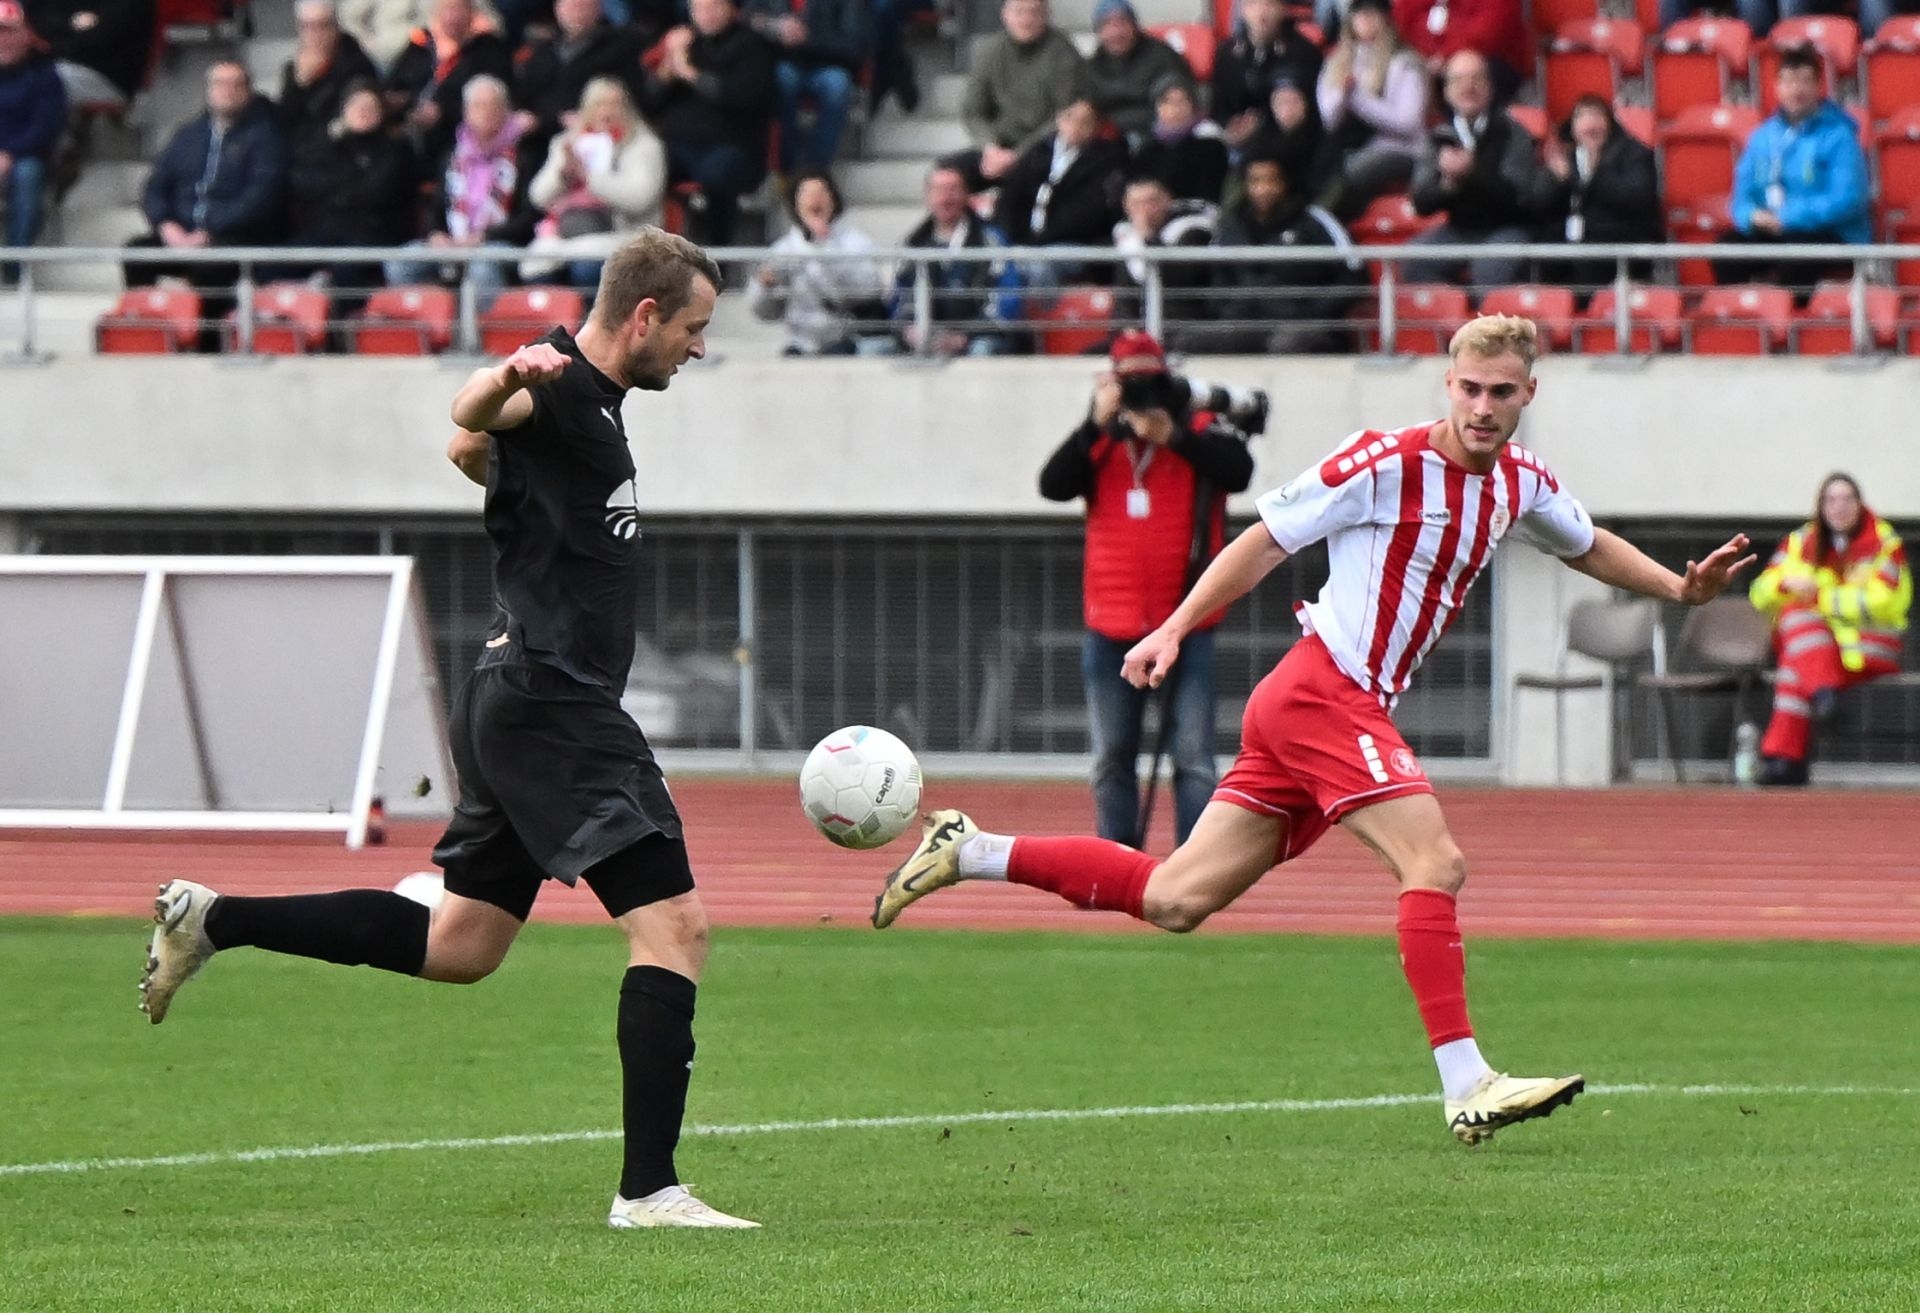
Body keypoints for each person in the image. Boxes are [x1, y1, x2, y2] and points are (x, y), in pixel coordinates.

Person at [873, 314, 1758, 1146]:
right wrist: (1174, 627)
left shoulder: (1522, 482)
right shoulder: (1384, 460)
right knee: (1435, 861)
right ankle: (1467, 1081)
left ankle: (973, 849)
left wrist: (1679, 589)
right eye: (1470, 389)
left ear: (1530, 393)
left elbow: (1586, 541)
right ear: (1447, 384)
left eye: (1501, 392)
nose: (1484, 407)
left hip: (1324, 707)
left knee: (1177, 898)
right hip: (1322, 692)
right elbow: (1265, 540)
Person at [141, 227, 758, 1232]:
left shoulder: (590, 404)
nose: (699, 346)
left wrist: (484, 446)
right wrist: (503, 379)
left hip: (512, 697)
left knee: (461, 942)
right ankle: (649, 1190)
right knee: (674, 926)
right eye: (693, 327)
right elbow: (474, 408)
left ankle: (214, 918)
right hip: (555, 701)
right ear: (645, 315)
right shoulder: (555, 383)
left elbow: (471, 448)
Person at [1039, 330, 1254, 847]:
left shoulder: (1198, 430)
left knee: (1194, 757)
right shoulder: (1100, 441)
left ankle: (1194, 866)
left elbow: (1239, 471)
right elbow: (1053, 484)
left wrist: (1173, 436)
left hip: (1186, 626)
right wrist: (1094, 422)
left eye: (1148, 381)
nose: (1139, 393)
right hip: (1110, 627)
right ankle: (1116, 862)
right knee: (1111, 756)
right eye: (1129, 382)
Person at [1749, 474, 1911, 787]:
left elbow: (1885, 601)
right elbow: (1759, 593)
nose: (1839, 507)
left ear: (1860, 504)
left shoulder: (1883, 543)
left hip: (1868, 648)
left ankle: (1785, 759)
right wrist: (1785, 584)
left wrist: (1821, 598)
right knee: (1793, 664)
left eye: (1848, 499)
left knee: (1795, 632)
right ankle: (1807, 724)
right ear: (1820, 506)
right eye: (1831, 500)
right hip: (1820, 654)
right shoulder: (1799, 542)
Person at [123, 62, 287, 334]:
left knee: (212, 267)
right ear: (209, 90)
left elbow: (260, 198)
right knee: (137, 252)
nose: (227, 91)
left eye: (235, 85)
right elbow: (155, 187)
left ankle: (206, 341)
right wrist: (166, 225)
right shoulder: (188, 135)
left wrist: (210, 231)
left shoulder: (265, 138)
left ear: (248, 91)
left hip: (233, 236)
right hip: (182, 232)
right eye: (220, 84)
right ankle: (145, 332)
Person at [1722, 46, 1870, 291]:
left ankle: (1794, 316)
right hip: (1775, 227)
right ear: (1776, 87)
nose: (1796, 90)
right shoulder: (1762, 137)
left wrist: (1790, 217)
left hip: (1831, 232)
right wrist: (1751, 216)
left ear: (1818, 87)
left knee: (1797, 261)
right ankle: (1740, 312)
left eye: (1804, 81)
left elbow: (1848, 198)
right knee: (1727, 251)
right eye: (1789, 82)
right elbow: (1741, 195)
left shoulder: (1839, 136)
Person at [384, 74, 537, 309]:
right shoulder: (452, 156)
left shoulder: (524, 156)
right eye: (478, 106)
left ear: (506, 111)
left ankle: (481, 331)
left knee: (482, 267)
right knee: (400, 263)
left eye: (493, 106)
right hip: (453, 241)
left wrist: (483, 237)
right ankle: (427, 324)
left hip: (498, 243)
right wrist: (436, 234)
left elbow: (528, 217)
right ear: (466, 112)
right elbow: (437, 205)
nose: (486, 113)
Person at [1405, 50, 1548, 290]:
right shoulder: (1439, 137)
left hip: (1507, 228)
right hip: (1460, 229)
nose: (1467, 87)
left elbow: (1520, 196)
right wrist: (1447, 186)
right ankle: (1452, 312)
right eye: (1458, 80)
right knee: (1414, 259)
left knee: (1490, 266)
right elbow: (1420, 201)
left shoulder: (1512, 132)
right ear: (1447, 91)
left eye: (1476, 79)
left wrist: (1472, 173)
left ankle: (1485, 315)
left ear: (1489, 88)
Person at [638, 0, 775, 245]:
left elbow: (742, 97)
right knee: (643, 160)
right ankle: (649, 247)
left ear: (731, 9)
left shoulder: (752, 46)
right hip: (678, 143)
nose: (706, 15)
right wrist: (668, 66)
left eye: (714, 7)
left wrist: (689, 73)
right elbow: (648, 103)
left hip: (732, 144)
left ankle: (718, 253)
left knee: (719, 172)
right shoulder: (685, 43)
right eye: (699, 8)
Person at [1203, 147, 1361, 354]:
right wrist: (1229, 311)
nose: (1263, 189)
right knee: (1190, 342)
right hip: (1243, 324)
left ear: (1285, 182)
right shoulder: (1231, 227)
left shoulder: (1315, 221)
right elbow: (1216, 279)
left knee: (1286, 344)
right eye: (1255, 181)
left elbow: (1353, 272)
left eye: (1271, 180)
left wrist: (1312, 314)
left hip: (1302, 327)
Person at [284, 80, 418, 310]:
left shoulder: (395, 150)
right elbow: (301, 180)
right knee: (274, 264)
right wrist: (343, 183)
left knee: (346, 269)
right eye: (356, 105)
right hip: (327, 231)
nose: (362, 112)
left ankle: (345, 328)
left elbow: (375, 192)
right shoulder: (329, 143)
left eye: (370, 107)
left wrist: (334, 189)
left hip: (374, 233)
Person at [521, 75, 666, 287]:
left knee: (586, 268)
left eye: (614, 105)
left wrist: (588, 177)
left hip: (623, 235)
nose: (606, 112)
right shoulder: (568, 142)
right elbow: (538, 197)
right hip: (563, 235)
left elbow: (639, 199)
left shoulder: (644, 145)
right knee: (536, 269)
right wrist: (563, 176)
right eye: (599, 105)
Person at [747, 168, 889, 354]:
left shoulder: (856, 242)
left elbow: (870, 289)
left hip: (846, 338)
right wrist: (766, 287)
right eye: (806, 193)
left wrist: (824, 250)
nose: (814, 198)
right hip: (801, 342)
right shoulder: (784, 249)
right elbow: (764, 312)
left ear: (833, 200)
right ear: (796, 204)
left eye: (821, 192)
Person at [890, 161, 1024, 356]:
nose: (946, 198)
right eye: (938, 191)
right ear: (927, 197)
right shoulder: (912, 244)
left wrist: (965, 336)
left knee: (982, 350)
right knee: (875, 349)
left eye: (953, 190)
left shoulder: (991, 240)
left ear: (966, 195)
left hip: (979, 338)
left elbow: (1008, 299)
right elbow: (898, 299)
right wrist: (909, 331)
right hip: (926, 339)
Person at [958, 0, 1086, 193]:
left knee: (1023, 178)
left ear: (1046, 15)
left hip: (1046, 147)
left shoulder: (1063, 53)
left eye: (1034, 13)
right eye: (1019, 12)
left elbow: (1066, 116)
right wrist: (990, 147)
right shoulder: (990, 51)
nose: (1026, 20)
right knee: (949, 174)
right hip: (998, 147)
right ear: (1005, 15)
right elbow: (973, 111)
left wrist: (1018, 156)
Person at [1314, 0, 1426, 220]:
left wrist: (1358, 99)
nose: (1364, 18)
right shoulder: (1336, 62)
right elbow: (1328, 120)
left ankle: (1321, 224)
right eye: (1358, 13)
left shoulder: (1404, 61)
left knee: (1354, 172)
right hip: (1348, 145)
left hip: (1400, 149)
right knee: (1316, 165)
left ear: (1385, 18)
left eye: (1371, 13)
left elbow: (1408, 123)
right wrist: (1342, 96)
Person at [1539, 94, 1662, 292]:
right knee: (1545, 246)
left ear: (1609, 123)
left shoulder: (1634, 153)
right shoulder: (1567, 158)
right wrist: (1559, 182)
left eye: (1596, 115)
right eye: (1581, 116)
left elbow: (1637, 198)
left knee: (1590, 254)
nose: (1590, 124)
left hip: (1622, 236)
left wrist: (1597, 175)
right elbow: (1545, 206)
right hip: (1575, 237)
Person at [992, 95, 1125, 256]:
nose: (1076, 126)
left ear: (1096, 126)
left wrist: (1038, 243)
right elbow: (1011, 197)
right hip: (1025, 238)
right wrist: (1016, 236)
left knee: (1041, 264)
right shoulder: (1039, 152)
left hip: (1074, 243)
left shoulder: (1107, 159)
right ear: (1059, 118)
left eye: (1085, 121)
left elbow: (1084, 214)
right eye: (1070, 117)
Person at [745, 0, 869, 172]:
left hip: (827, 64)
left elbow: (854, 43)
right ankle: (786, 163)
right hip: (781, 60)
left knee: (838, 85)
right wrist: (775, 29)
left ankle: (815, 167)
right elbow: (748, 22)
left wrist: (807, 38)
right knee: (782, 78)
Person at [384, 0, 514, 158]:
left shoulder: (488, 49)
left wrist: (442, 112)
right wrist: (400, 100)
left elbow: (498, 98)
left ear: (471, 12)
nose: (453, 16)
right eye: (447, 9)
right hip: (409, 126)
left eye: (459, 9)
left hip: (455, 136)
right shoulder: (421, 43)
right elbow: (396, 83)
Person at [515, 0, 648, 144]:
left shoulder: (621, 48)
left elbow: (630, 96)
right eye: (571, 5)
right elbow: (525, 99)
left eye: (583, 6)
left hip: (598, 137)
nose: (577, 12)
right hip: (540, 136)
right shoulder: (542, 52)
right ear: (557, 9)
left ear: (598, 9)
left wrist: (588, 117)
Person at [0, 1, 65, 280]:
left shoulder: (45, 76)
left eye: (9, 32)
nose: (3, 40)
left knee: (28, 174)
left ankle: (15, 270)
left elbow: (45, 128)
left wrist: (9, 154)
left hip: (27, 157)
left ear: (26, 34)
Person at [1210, 0, 1321, 156]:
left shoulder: (1303, 52)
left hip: (1284, 142)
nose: (1261, 13)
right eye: (1253, 4)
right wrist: (1229, 125)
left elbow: (1307, 115)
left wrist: (1259, 124)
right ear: (1242, 11)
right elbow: (1218, 104)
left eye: (1269, 4)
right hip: (1233, 139)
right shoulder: (1227, 52)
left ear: (1282, 9)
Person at [1112, 172, 1216, 338]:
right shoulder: (1127, 237)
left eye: (1150, 202)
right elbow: (1124, 293)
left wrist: (1148, 238)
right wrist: (1128, 327)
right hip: (1140, 327)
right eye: (1136, 204)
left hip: (1182, 323)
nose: (1144, 210)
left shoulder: (1192, 230)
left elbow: (1179, 276)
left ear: (1167, 200)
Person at [1083, 0, 1190, 143]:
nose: (1116, 32)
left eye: (1122, 22)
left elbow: (1181, 97)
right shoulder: (1093, 66)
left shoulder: (1161, 55)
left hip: (1158, 135)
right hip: (1108, 138)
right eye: (1107, 24)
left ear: (1134, 25)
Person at [279, 0, 380, 147]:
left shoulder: (356, 64)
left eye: (322, 26)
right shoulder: (293, 69)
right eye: (307, 27)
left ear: (336, 27)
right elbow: (286, 120)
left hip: (343, 147)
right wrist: (299, 85)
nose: (315, 34)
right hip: (301, 147)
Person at [24, 0, 153, 109]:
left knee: (35, 84)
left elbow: (97, 39)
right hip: (68, 58)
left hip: (107, 76)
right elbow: (43, 16)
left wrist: (54, 44)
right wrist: (70, 23)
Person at [1392, 0, 1528, 102]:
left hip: (1492, 60)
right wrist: (1431, 52)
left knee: (1468, 71)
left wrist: (1446, 55)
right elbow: (1406, 17)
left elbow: (1491, 27)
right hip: (1429, 58)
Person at [1129, 75, 1229, 205]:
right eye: (1167, 101)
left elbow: (1209, 195)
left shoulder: (1210, 147)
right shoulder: (1147, 151)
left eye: (1182, 101)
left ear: (1193, 106)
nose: (1175, 109)